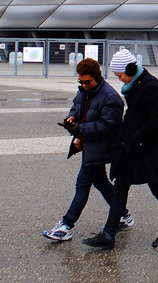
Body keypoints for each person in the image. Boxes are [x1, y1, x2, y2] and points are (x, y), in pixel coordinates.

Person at [82, 48, 158, 250]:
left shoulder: (149, 85)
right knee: (120, 187)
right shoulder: (135, 84)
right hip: (132, 147)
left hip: (146, 148)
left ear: (129, 69)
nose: (119, 79)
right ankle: (109, 234)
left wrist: (136, 138)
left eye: (119, 75)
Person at [43, 58, 134, 242]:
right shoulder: (85, 91)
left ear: (97, 77)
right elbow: (77, 107)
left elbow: (108, 126)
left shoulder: (111, 98)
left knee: (82, 184)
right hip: (90, 143)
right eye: (81, 82)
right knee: (100, 182)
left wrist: (80, 130)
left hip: (102, 145)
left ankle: (66, 226)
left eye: (87, 82)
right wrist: (71, 118)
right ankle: (124, 215)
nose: (84, 85)